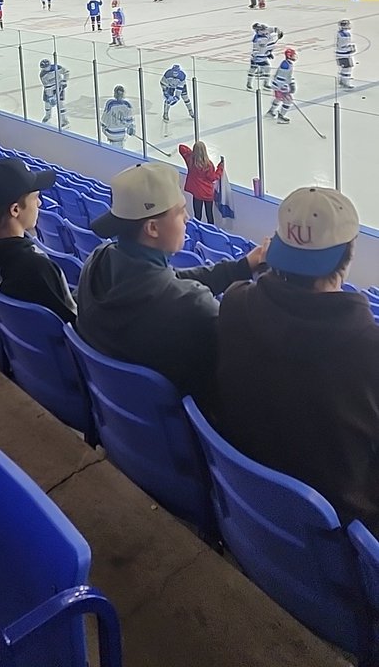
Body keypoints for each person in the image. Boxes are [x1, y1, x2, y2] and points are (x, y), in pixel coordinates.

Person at [217, 186, 379, 533]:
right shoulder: (370, 350)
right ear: (347, 256)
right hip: (341, 534)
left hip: (251, 509)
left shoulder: (234, 303)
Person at [76, 162, 268, 417]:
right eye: (180, 212)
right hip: (186, 433)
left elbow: (168, 282)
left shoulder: (97, 262)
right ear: (152, 228)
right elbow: (253, 353)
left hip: (124, 419)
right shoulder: (190, 307)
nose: (187, 218)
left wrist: (241, 267)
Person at [0, 159, 76, 323]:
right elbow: (71, 325)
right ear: (15, 209)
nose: (40, 203)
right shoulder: (37, 268)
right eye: (35, 197)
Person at [179, 141, 224, 223]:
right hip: (207, 193)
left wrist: (193, 154)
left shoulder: (190, 160)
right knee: (209, 215)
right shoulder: (208, 165)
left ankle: (197, 232)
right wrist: (220, 168)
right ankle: (210, 231)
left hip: (197, 193)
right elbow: (213, 177)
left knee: (197, 215)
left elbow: (181, 147)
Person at [267, 48, 297, 123]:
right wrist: (288, 87)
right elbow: (284, 77)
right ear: (289, 56)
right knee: (288, 101)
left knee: (278, 98)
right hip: (281, 86)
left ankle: (271, 111)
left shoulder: (286, 63)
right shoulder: (287, 65)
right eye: (293, 55)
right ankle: (281, 116)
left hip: (277, 85)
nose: (294, 56)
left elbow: (285, 76)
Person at [39, 58, 69, 128]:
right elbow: (47, 87)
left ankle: (64, 120)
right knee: (47, 103)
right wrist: (50, 97)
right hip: (50, 89)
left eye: (46, 67)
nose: (45, 69)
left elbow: (66, 72)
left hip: (59, 87)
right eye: (43, 68)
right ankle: (48, 116)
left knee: (60, 103)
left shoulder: (57, 68)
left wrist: (64, 80)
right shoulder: (43, 75)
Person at [246, 24, 271, 91]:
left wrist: (268, 52)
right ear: (258, 31)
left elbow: (265, 47)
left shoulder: (263, 37)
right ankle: (249, 83)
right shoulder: (258, 39)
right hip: (258, 57)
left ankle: (265, 83)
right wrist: (255, 56)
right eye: (262, 30)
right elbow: (257, 49)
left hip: (262, 57)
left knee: (266, 68)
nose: (264, 31)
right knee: (253, 70)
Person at [336, 19, 356, 89]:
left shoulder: (341, 32)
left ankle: (342, 80)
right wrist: (351, 47)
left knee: (345, 67)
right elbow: (346, 44)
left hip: (341, 52)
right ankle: (346, 82)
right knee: (347, 68)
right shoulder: (345, 33)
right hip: (344, 53)